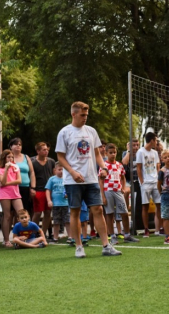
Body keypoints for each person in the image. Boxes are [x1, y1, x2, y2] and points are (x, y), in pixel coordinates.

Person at [56, 101, 121, 257]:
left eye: (86, 115)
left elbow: (97, 153)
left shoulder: (91, 131)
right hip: (73, 181)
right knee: (75, 212)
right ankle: (79, 247)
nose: (85, 118)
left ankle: (106, 245)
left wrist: (103, 168)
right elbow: (60, 157)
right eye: (82, 115)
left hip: (91, 178)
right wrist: (72, 172)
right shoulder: (64, 132)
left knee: (98, 209)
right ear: (73, 114)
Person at [100, 143, 139, 244]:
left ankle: (127, 235)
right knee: (109, 214)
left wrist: (123, 186)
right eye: (110, 153)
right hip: (108, 191)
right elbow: (101, 181)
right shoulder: (103, 166)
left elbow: (122, 176)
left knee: (124, 213)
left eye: (114, 152)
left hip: (118, 191)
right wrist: (102, 195)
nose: (113, 154)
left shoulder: (119, 165)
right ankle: (112, 236)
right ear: (106, 153)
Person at [136, 132, 162, 237]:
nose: (156, 142)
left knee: (159, 205)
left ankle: (158, 229)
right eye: (155, 140)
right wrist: (142, 182)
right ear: (151, 140)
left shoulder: (155, 153)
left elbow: (157, 167)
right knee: (145, 206)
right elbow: (138, 168)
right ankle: (146, 229)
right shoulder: (140, 152)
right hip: (145, 183)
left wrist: (159, 180)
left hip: (155, 182)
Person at [0, 149, 23, 248]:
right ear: (4, 158)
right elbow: (2, 181)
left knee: (21, 213)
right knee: (7, 216)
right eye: (8, 157)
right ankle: (6, 240)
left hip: (15, 193)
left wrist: (6, 183)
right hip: (5, 194)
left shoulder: (16, 167)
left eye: (12, 157)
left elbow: (19, 180)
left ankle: (20, 238)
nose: (10, 159)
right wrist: (6, 169)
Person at [31, 142, 56, 236]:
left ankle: (43, 233)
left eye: (47, 150)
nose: (46, 151)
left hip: (49, 190)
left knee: (48, 212)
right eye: (44, 150)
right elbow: (31, 176)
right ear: (38, 151)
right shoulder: (33, 163)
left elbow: (54, 175)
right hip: (38, 189)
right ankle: (33, 232)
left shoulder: (51, 161)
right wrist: (32, 188)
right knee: (37, 213)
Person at [9, 137, 36, 214]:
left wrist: (33, 187)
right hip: (12, 187)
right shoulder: (8, 157)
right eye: (15, 144)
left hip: (25, 187)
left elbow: (32, 172)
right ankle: (12, 226)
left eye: (20, 145)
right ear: (11, 146)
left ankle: (21, 225)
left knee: (24, 210)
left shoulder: (26, 157)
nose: (18, 146)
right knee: (11, 212)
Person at [46, 162, 71, 242]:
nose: (61, 171)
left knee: (67, 221)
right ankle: (55, 238)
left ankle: (70, 237)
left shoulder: (67, 178)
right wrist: (49, 200)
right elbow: (48, 190)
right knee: (56, 222)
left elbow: (71, 189)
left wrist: (68, 194)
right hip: (56, 204)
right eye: (59, 169)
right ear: (55, 170)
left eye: (63, 169)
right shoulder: (52, 179)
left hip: (66, 204)